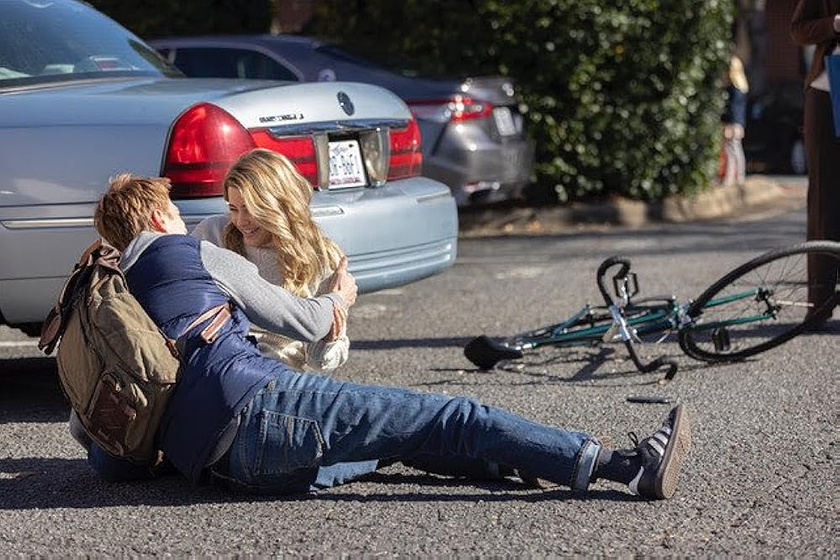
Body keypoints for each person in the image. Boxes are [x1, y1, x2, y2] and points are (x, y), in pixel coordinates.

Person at [80, 172, 691, 500]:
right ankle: (622, 466)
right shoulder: (189, 253)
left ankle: (515, 457)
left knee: (401, 435)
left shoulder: (102, 295)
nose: (191, 219)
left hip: (224, 468)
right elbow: (311, 322)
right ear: (159, 216)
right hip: (263, 410)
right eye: (179, 211)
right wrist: (341, 296)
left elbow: (93, 434)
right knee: (450, 414)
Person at [192, 149, 349, 372]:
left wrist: (330, 336)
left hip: (275, 375)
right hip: (215, 364)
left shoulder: (322, 258)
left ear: (279, 205)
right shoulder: (213, 234)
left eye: (251, 210)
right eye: (233, 209)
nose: (240, 221)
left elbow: (319, 362)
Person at [790, 0, 840, 327]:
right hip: (827, 92)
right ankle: (819, 304)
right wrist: (833, 25)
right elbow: (797, 29)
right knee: (823, 198)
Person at [721, 55, 750, 187]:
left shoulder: (733, 89)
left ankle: (735, 177)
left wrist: (728, 124)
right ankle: (736, 177)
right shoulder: (742, 87)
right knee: (735, 150)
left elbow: (731, 108)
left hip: (732, 123)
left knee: (732, 150)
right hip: (738, 122)